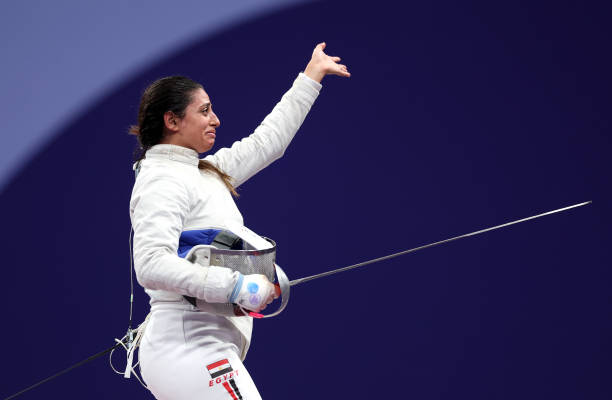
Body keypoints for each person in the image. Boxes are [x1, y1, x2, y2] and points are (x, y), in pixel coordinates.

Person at [129, 42, 350, 400]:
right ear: (172, 120)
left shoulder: (205, 173)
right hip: (186, 346)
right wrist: (236, 287)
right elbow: (151, 264)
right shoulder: (162, 179)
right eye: (204, 111)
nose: (216, 119)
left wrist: (311, 75)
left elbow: (268, 143)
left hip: (206, 343)